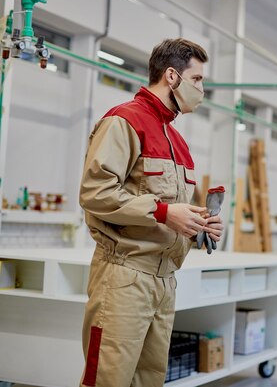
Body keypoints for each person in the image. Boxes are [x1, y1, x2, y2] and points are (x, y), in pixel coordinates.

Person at [78, 38, 224, 387]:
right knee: (108, 380)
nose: (202, 89)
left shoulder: (178, 141)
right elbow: (95, 193)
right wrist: (162, 212)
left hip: (164, 281)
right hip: (125, 278)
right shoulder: (124, 121)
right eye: (198, 79)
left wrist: (199, 226)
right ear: (172, 77)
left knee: (149, 380)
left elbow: (171, 209)